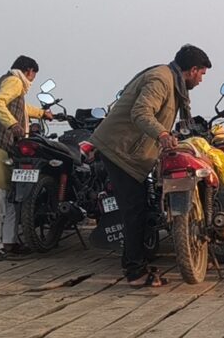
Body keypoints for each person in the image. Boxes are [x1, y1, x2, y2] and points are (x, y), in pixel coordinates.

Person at [90, 44, 212, 287]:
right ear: (193, 69)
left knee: (142, 209)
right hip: (119, 149)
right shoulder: (161, 79)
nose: (201, 80)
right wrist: (163, 135)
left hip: (130, 152)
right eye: (202, 74)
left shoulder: (171, 81)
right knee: (134, 211)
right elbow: (141, 112)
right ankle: (135, 272)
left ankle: (138, 263)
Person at [0, 56, 53, 260]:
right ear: (29, 71)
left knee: (12, 198)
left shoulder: (14, 86)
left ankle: (10, 242)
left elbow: (23, 109)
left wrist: (44, 114)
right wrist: (12, 124)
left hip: (10, 149)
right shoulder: (14, 81)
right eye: (34, 74)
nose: (34, 78)